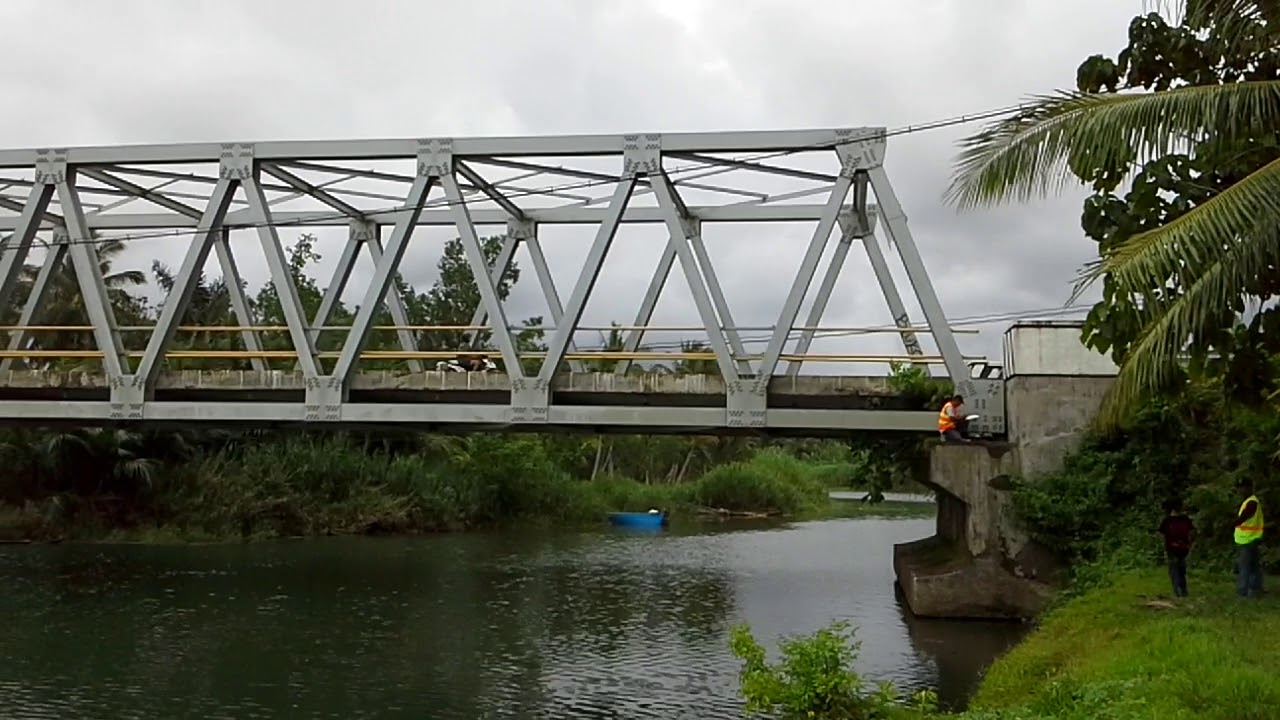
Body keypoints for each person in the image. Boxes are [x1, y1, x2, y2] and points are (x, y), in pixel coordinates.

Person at [1233, 480, 1265, 598]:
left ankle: (1243, 591)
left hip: (1247, 539)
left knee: (1245, 566)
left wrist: (1233, 523)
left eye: (1242, 488)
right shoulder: (1249, 501)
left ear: (1249, 488)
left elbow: (1244, 517)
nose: (1240, 491)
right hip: (1252, 538)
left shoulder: (1251, 502)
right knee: (1254, 565)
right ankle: (1256, 589)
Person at [1157, 499, 1193, 598]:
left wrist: (1164, 548)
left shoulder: (1167, 521)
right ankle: (1184, 590)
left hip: (1171, 547)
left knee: (1174, 569)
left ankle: (1177, 591)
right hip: (1184, 547)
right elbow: (1191, 533)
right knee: (1182, 569)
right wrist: (1190, 545)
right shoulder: (1185, 519)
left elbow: (1161, 535)